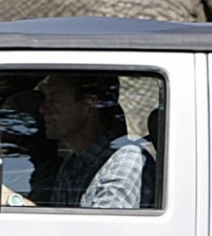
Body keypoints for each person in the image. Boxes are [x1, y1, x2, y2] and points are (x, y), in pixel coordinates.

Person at [9, 72, 152, 209]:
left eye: (54, 100)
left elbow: (102, 232)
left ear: (91, 104)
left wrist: (11, 201)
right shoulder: (73, 165)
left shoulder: (126, 161)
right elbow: (59, 229)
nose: (43, 109)